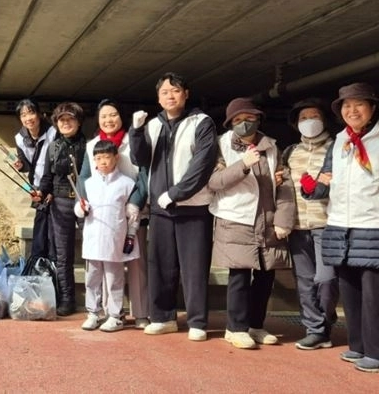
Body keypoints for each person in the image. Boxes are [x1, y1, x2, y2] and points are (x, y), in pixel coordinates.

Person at [306, 83, 379, 373]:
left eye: (359, 105)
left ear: (373, 108)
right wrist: (311, 187)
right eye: (346, 106)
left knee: (377, 295)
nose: (351, 111)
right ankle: (359, 346)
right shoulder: (338, 143)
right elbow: (323, 186)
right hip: (341, 227)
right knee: (351, 293)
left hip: (377, 227)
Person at [128, 72, 217, 341]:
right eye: (165, 92)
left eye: (175, 90)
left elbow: (203, 164)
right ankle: (163, 317)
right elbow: (139, 158)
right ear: (158, 97)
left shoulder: (201, 122)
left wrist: (176, 193)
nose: (170, 95)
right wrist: (136, 131)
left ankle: (197, 321)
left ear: (186, 93)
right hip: (160, 209)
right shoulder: (153, 124)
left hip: (193, 206)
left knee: (194, 266)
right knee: (161, 265)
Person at [208, 97, 295, 350]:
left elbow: (285, 183)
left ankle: (256, 325)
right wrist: (242, 165)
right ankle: (235, 328)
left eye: (248, 119)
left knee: (266, 275)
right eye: (237, 120)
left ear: (258, 119)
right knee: (239, 274)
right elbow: (215, 181)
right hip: (237, 218)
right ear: (229, 123)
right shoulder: (222, 146)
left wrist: (283, 220)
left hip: (267, 219)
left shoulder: (272, 147)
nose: (244, 124)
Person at [79, 99, 150, 329]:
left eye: (113, 114)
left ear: (122, 117)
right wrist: (83, 202)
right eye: (103, 116)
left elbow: (143, 176)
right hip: (100, 215)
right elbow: (83, 178)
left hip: (130, 212)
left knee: (135, 263)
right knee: (102, 265)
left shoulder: (133, 141)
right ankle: (108, 313)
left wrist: (135, 203)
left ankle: (140, 313)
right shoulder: (93, 146)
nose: (108, 120)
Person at [281, 98, 338, 350]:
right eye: (303, 118)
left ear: (324, 120)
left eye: (314, 116)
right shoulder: (290, 152)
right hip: (297, 226)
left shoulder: (337, 148)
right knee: (304, 280)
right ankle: (314, 329)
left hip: (327, 224)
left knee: (326, 279)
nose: (309, 122)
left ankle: (325, 322)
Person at [38, 102, 87, 316]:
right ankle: (67, 299)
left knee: (93, 253)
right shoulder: (52, 147)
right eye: (61, 120)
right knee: (62, 254)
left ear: (78, 121)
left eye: (70, 119)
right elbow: (47, 177)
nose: (65, 123)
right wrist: (40, 192)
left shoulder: (89, 145)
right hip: (60, 203)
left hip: (85, 202)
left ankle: (98, 298)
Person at [12, 99, 57, 261]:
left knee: (52, 228)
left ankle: (50, 263)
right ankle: (39, 262)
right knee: (41, 223)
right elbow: (26, 164)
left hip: (53, 187)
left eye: (31, 113)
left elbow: (54, 164)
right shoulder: (19, 138)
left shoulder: (52, 132)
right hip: (38, 187)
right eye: (23, 115)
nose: (28, 118)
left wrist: (49, 189)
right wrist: (20, 164)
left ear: (39, 114)